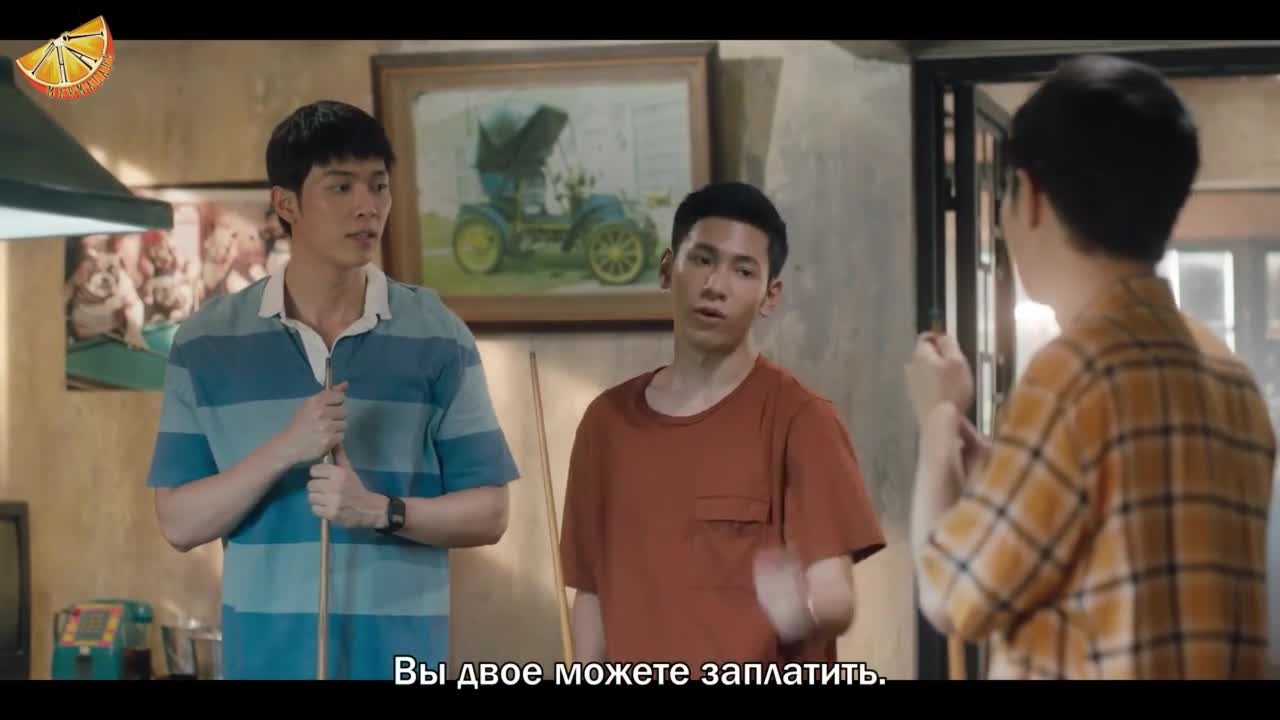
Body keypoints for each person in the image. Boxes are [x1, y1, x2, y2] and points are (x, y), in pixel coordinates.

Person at [905, 55, 1277, 679]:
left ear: (1029, 196)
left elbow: (950, 598)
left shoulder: (1073, 375)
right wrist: (1004, 471)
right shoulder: (1233, 381)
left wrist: (939, 420)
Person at [145, 100, 520, 680]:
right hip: (263, 664)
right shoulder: (205, 342)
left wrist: (378, 510)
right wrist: (285, 450)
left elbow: (490, 513)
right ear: (286, 204)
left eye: (378, 185)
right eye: (341, 187)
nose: (368, 206)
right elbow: (179, 523)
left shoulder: (438, 333)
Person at [558, 181, 886, 677]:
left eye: (743, 270)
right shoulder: (605, 423)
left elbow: (836, 595)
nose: (716, 285)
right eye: (702, 259)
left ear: (770, 296)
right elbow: (591, 592)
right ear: (667, 269)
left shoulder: (803, 420)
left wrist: (801, 609)